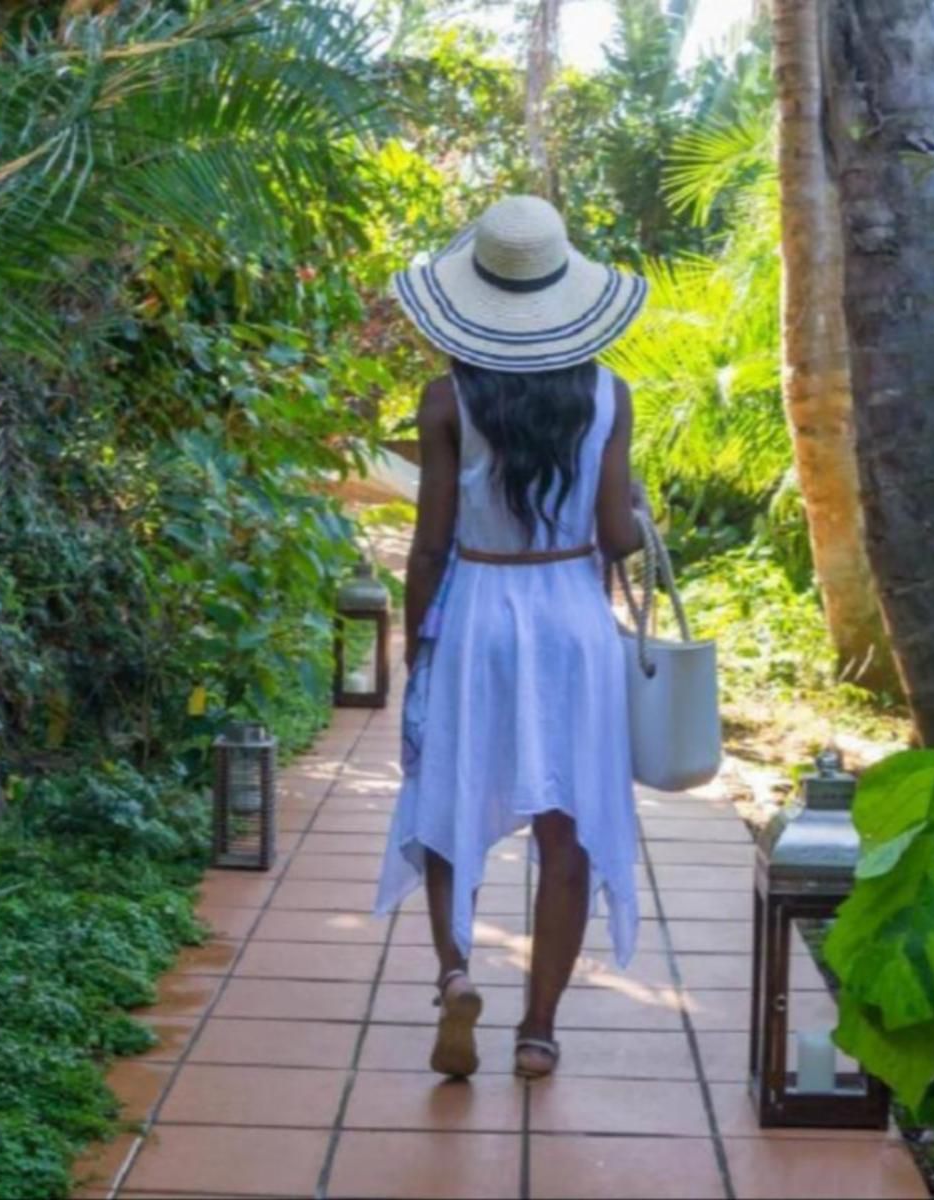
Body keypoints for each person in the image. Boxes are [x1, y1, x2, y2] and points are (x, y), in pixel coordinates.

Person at [373, 195, 649, 1080]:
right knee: (565, 831)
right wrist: (639, 513)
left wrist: (420, 653)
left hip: (478, 611)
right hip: (572, 619)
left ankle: (455, 976)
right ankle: (538, 1031)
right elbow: (617, 535)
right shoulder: (610, 396)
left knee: (449, 801)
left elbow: (427, 544)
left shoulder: (445, 399)